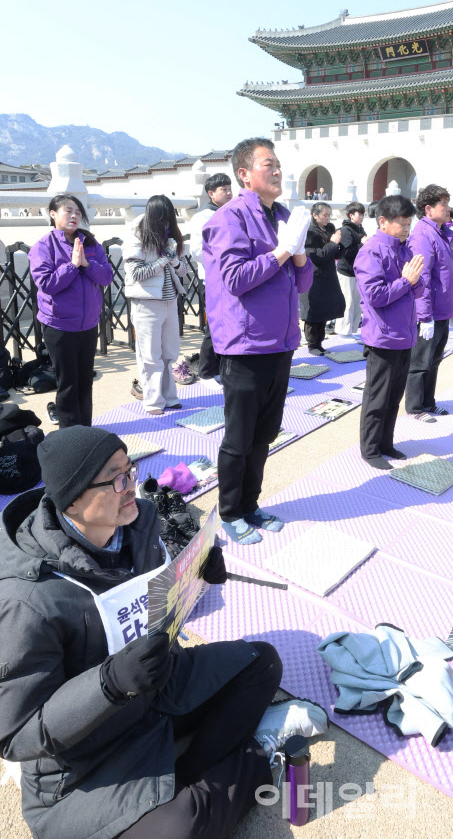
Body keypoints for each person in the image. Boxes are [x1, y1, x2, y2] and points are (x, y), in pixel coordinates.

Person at [0, 426, 327, 839]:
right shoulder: (25, 600)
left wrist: (198, 575)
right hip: (85, 756)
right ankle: (257, 757)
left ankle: (184, 775)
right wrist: (108, 684)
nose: (130, 487)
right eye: (117, 478)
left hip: (157, 686)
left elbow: (158, 607)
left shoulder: (140, 522)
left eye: (130, 471)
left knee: (262, 662)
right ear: (73, 499)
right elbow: (17, 735)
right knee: (184, 828)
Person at [202, 138, 313, 544]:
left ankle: (251, 504)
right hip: (245, 345)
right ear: (245, 174)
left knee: (265, 434)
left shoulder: (282, 215)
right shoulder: (229, 218)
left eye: (280, 164)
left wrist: (298, 252)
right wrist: (283, 251)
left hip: (280, 343)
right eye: (270, 164)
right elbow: (235, 279)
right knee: (239, 436)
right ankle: (230, 511)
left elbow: (303, 281)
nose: (279, 170)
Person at [28, 193, 113, 428]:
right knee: (67, 383)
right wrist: (72, 265)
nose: (74, 215)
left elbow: (107, 277)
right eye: (68, 211)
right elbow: (47, 284)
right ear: (53, 214)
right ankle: (70, 435)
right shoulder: (43, 247)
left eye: (78, 211)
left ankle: (86, 429)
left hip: (88, 324)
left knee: (85, 380)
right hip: (59, 325)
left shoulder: (91, 243)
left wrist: (86, 263)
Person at [354, 195, 424, 470]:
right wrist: (406, 281)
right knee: (377, 396)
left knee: (394, 396)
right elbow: (375, 295)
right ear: (383, 222)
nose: (407, 229)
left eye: (409, 224)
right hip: (382, 336)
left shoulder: (404, 249)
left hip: (404, 333)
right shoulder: (371, 251)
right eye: (403, 224)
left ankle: (386, 443)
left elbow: (418, 286)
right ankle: (370, 448)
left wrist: (413, 282)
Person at [123, 196, 189, 416]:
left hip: (170, 300)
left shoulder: (171, 235)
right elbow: (136, 273)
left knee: (169, 352)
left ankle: (170, 397)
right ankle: (153, 401)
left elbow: (183, 270)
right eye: (162, 218)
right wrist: (163, 260)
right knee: (150, 355)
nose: (166, 223)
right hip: (146, 302)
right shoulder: (136, 234)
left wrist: (174, 260)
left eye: (169, 218)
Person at [405, 185, 453, 421]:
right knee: (420, 362)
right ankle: (415, 407)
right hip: (429, 312)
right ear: (428, 209)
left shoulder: (439, 232)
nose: (448, 209)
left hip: (442, 310)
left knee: (434, 360)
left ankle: (429, 401)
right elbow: (422, 278)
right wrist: (424, 316)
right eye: (443, 205)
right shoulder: (422, 235)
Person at [187, 174, 234, 381]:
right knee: (214, 325)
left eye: (229, 188)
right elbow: (197, 250)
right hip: (212, 278)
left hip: (233, 276)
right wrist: (225, 256)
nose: (229, 192)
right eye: (223, 189)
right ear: (211, 193)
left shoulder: (233, 212)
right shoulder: (202, 217)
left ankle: (224, 370)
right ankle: (206, 372)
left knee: (230, 324)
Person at [300, 203, 345, 354]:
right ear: (315, 215)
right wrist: (333, 243)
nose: (327, 218)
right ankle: (312, 344)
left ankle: (319, 343)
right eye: (324, 215)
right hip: (314, 276)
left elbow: (335, 254)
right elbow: (316, 255)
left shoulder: (329, 228)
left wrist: (340, 244)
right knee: (313, 311)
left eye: (328, 215)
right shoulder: (309, 231)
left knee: (325, 310)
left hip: (328, 275)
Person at [334, 202, 366, 338]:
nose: (362, 217)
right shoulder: (346, 230)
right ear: (351, 215)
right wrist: (361, 244)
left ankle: (352, 330)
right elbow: (346, 252)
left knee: (357, 302)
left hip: (357, 271)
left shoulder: (360, 229)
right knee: (347, 302)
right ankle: (343, 331)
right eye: (360, 214)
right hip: (346, 271)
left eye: (363, 214)